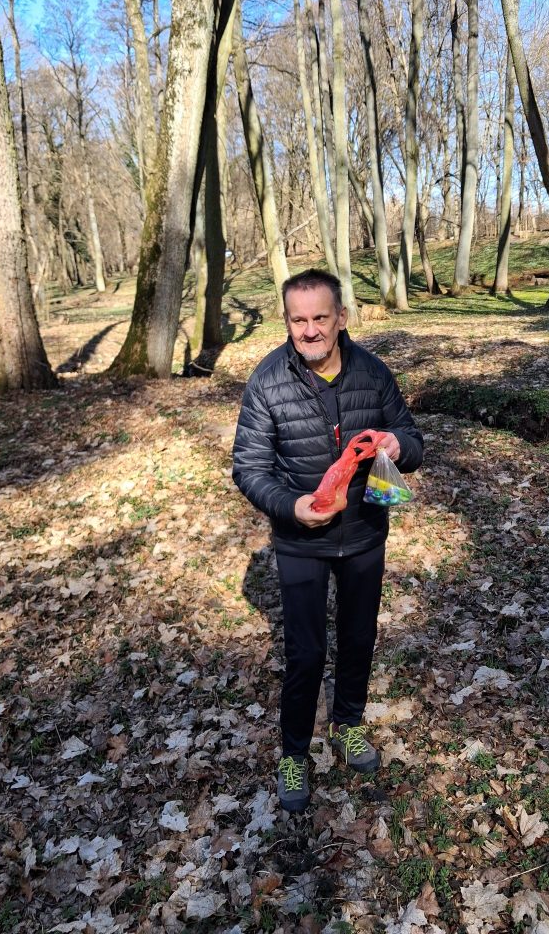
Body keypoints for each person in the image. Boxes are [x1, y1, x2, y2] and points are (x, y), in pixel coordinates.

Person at [232, 269, 423, 812]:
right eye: (299, 320)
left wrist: (398, 445)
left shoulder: (372, 372)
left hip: (365, 532)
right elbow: (248, 468)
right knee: (306, 652)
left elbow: (413, 440)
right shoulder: (268, 380)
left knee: (359, 637)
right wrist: (291, 507)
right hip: (301, 540)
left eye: (320, 317)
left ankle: (347, 723)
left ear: (341, 317)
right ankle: (294, 753)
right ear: (287, 321)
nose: (310, 330)